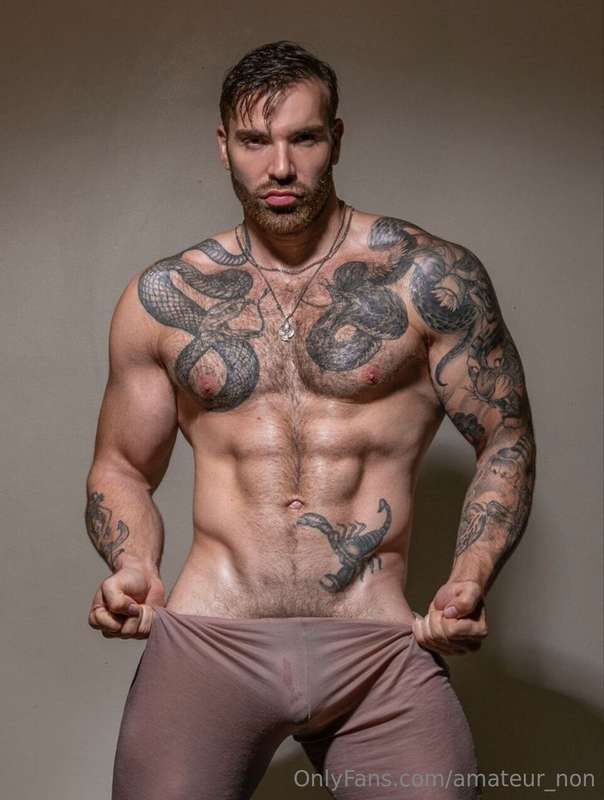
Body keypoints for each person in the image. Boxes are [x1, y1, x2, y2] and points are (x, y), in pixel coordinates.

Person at [85, 40, 536, 800]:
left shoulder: (427, 277)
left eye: (304, 137)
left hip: (377, 648)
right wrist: (132, 564)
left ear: (337, 138)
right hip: (212, 635)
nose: (281, 167)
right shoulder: (165, 295)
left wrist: (469, 576)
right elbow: (121, 465)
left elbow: (506, 437)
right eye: (255, 142)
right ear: (223, 145)